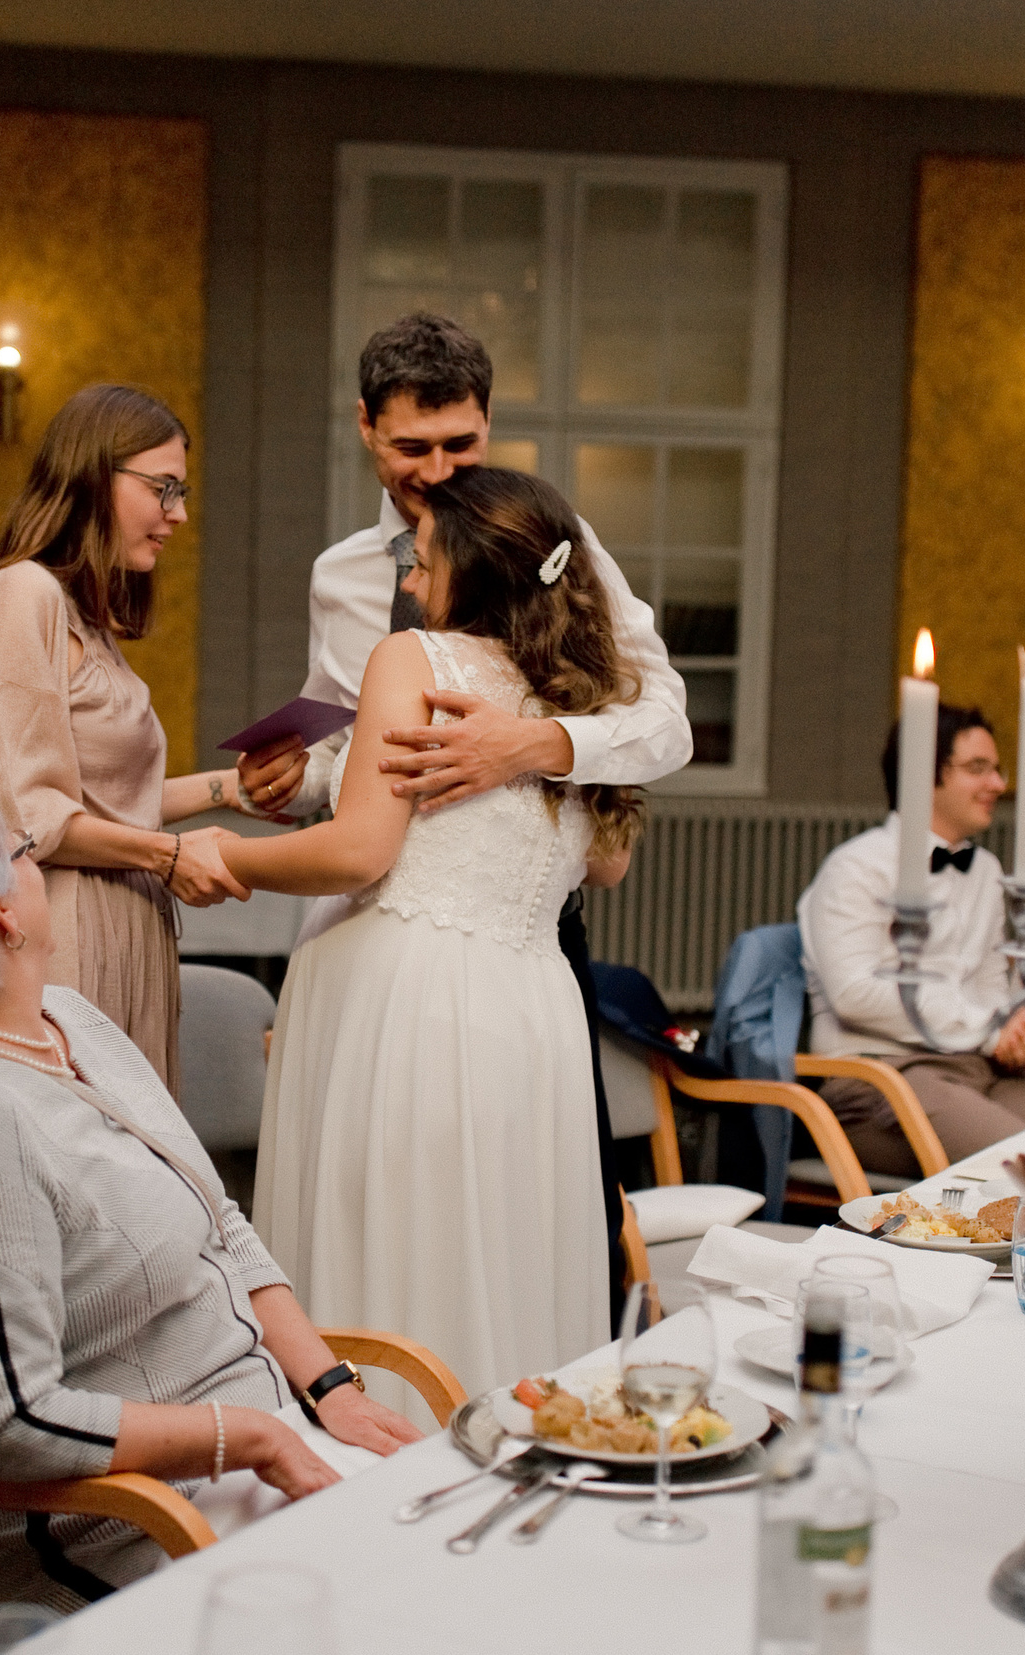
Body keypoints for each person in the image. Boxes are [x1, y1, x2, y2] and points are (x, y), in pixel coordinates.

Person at [0, 779, 421, 1617]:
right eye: (25, 855)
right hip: (124, 1523)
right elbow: (15, 1419)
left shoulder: (67, 1017)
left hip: (256, 1449)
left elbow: (221, 1223)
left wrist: (330, 1386)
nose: (38, 866)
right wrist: (246, 1436)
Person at [236, 313, 690, 1330]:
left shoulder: (557, 546)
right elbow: (356, 754)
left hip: (515, 926)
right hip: (378, 923)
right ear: (365, 428)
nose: (437, 472)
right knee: (387, 1212)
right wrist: (293, 777)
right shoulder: (343, 578)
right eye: (413, 448)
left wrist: (535, 747)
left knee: (539, 1206)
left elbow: (664, 722)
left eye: (461, 445)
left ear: (489, 424)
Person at [226, 465, 640, 1401]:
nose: (411, 584)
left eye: (423, 562)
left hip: (411, 1005)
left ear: (474, 568)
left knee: (398, 1254)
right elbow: (607, 865)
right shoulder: (585, 697)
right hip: (535, 1009)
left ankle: (382, 1475)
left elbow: (362, 849)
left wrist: (228, 855)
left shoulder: (415, 661)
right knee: (498, 1256)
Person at [0, 382, 281, 1089]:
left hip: (125, 928)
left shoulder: (82, 617)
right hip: (64, 934)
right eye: (163, 488)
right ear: (95, 473)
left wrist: (232, 789)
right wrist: (166, 854)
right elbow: (21, 814)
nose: (178, 514)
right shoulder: (22, 593)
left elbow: (102, 800)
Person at [800, 707, 1025, 1173]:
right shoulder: (856, 868)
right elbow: (854, 995)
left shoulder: (986, 870)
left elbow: (991, 984)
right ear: (922, 777)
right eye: (977, 769)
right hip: (881, 1078)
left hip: (979, 1069)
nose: (997, 784)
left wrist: (1010, 1028)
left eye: (997, 769)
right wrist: (987, 1029)